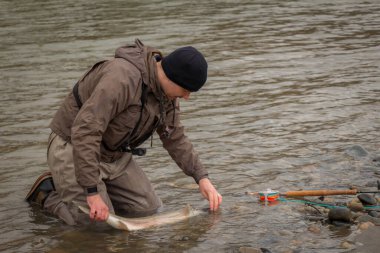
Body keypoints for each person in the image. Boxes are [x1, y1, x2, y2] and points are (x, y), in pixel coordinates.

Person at [26, 39, 222, 225]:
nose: (186, 97)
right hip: (73, 145)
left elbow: (175, 138)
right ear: (172, 76)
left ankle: (93, 192)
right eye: (186, 90)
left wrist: (201, 177)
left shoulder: (168, 95)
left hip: (114, 155)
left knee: (148, 211)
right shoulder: (121, 79)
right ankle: (48, 195)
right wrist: (92, 192)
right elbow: (85, 131)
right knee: (96, 225)